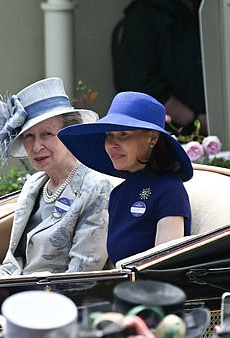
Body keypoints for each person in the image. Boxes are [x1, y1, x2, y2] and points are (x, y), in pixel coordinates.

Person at [0, 77, 112, 279]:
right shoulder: (33, 185)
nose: (36, 146)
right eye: (29, 136)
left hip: (61, 300)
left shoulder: (96, 187)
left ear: (70, 135)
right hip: (21, 291)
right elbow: (13, 264)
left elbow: (82, 275)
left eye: (47, 134)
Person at [58, 91, 193, 265]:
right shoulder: (118, 193)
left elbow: (165, 265)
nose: (112, 145)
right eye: (109, 135)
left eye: (123, 134)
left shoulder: (170, 189)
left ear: (152, 138)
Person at [111, 0, 208, 135]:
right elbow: (140, 86)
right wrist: (196, 122)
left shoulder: (208, 9)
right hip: (163, 136)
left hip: (217, 130)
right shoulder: (142, 18)